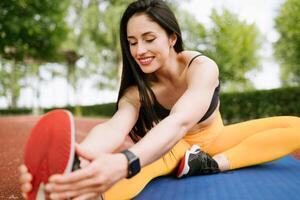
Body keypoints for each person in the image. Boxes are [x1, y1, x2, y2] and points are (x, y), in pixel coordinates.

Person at [19, 0, 300, 199]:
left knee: (296, 126)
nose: (139, 50)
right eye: (131, 42)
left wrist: (127, 158)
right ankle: (76, 192)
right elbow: (113, 128)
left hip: (216, 140)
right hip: (174, 147)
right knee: (137, 167)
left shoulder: (201, 67)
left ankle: (210, 164)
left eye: (148, 38)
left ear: (171, 38)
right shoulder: (136, 92)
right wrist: (79, 159)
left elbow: (181, 119)